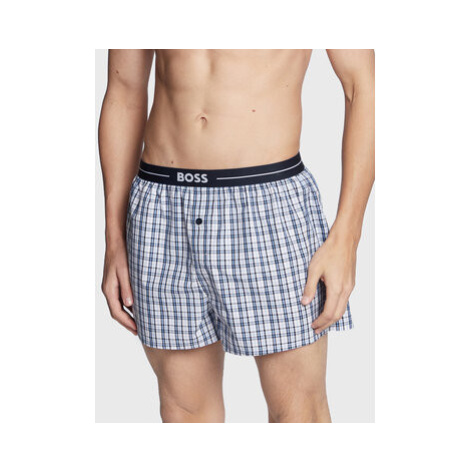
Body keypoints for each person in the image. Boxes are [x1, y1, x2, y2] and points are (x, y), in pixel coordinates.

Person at [98, 49, 375, 423]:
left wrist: (347, 238)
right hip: (160, 205)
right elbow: (124, 91)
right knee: (183, 413)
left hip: (267, 203)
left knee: (299, 414)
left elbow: (364, 87)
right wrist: (114, 239)